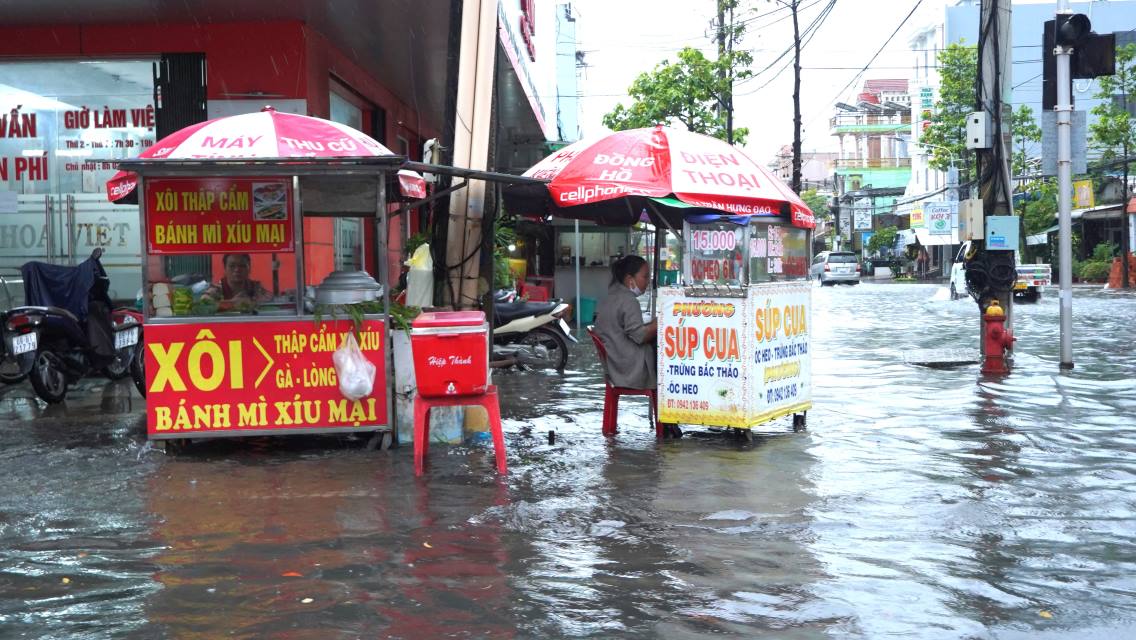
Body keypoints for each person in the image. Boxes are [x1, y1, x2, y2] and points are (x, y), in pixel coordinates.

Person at [594, 255, 656, 390]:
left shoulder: (611, 296)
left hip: (614, 363)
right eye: (645, 277)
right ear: (630, 280)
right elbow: (640, 336)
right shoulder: (628, 301)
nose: (648, 282)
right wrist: (659, 324)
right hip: (628, 369)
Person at [201, 253, 272, 309]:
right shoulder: (216, 288)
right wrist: (232, 304)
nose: (237, 270)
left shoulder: (255, 287)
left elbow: (270, 301)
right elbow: (203, 305)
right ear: (225, 269)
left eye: (242, 266)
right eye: (232, 266)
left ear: (249, 268)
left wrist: (251, 302)